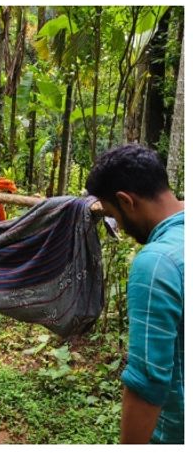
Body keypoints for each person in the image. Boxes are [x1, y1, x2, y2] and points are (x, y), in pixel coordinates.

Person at [85, 144, 183, 444]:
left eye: (113, 214)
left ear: (126, 202)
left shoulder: (158, 262)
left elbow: (147, 383)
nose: (120, 227)